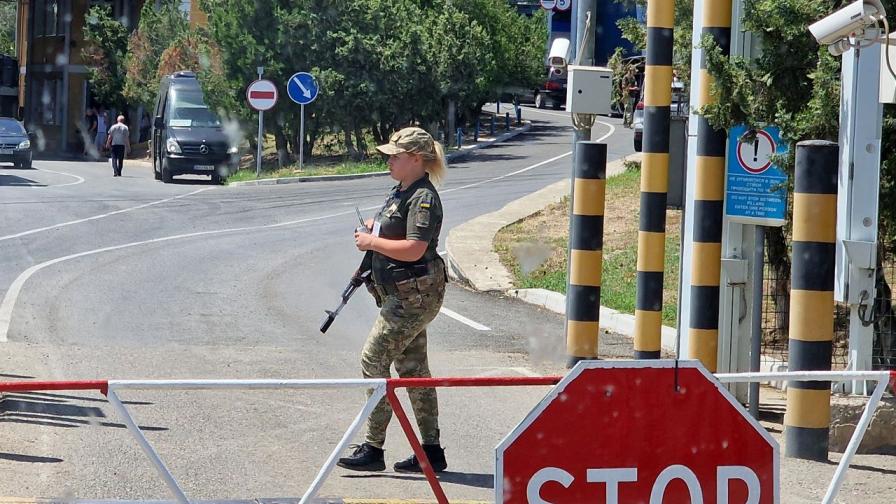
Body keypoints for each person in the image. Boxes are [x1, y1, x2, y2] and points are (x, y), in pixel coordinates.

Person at [337, 127, 449, 473]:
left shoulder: (423, 198)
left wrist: (372, 243)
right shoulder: (403, 190)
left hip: (412, 298)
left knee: (372, 362)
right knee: (414, 371)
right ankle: (431, 451)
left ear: (416, 160)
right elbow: (397, 228)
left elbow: (415, 248)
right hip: (403, 295)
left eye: (395, 157)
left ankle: (373, 448)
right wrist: (376, 226)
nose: (389, 161)